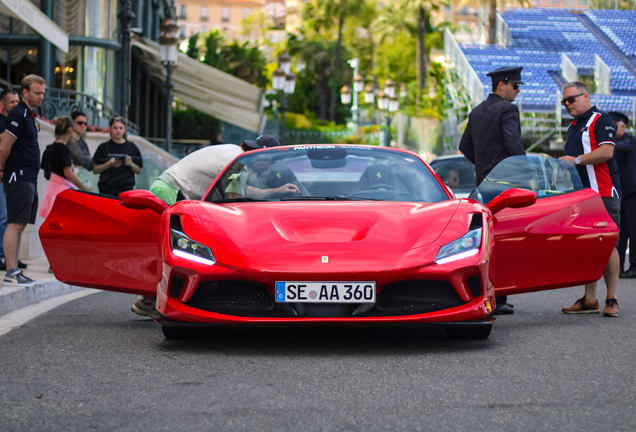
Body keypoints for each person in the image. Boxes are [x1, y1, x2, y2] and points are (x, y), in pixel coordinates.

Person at [132, 135, 299, 319]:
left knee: (168, 248)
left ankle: (147, 300)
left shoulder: (232, 152)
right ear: (260, 156)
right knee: (176, 250)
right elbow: (236, 200)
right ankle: (162, 302)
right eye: (268, 163)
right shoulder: (239, 166)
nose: (267, 168)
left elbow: (241, 189)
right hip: (173, 192)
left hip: (166, 187)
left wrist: (277, 191)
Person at [459, 66, 527, 315]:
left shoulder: (477, 111)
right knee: (504, 241)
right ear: (502, 85)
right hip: (505, 187)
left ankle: (486, 295)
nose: (518, 91)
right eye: (516, 86)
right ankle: (499, 298)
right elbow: (513, 142)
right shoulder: (508, 109)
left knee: (485, 243)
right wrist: (524, 171)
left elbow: (464, 145)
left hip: (482, 187)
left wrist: (485, 166)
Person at [560, 82, 621, 317]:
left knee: (608, 245)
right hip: (581, 196)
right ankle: (590, 299)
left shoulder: (601, 119)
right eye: (564, 101)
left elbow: (607, 152)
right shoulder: (574, 125)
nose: (567, 105)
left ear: (585, 96)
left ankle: (612, 299)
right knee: (588, 244)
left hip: (603, 193)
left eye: (571, 100)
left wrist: (574, 160)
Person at [0, 74, 46, 286]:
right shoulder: (18, 114)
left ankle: (14, 270)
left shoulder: (28, 114)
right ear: (25, 92)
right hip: (17, 175)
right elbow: (3, 146)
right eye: (37, 92)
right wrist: (1, 170)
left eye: (43, 93)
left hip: (27, 176)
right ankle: (11, 271)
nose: (41, 96)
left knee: (20, 224)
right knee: (14, 223)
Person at [39, 116, 92, 220]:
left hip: (52, 189)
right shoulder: (64, 149)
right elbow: (68, 173)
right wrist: (84, 187)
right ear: (70, 130)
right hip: (61, 192)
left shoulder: (50, 147)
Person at [0, 88, 27, 272]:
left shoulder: (16, 120)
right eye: (12, 102)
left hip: (11, 174)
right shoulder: (4, 123)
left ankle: (11, 259)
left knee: (10, 217)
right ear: (2, 105)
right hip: (3, 174)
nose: (16, 105)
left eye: (18, 102)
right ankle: (4, 258)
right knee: (4, 217)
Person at [608, 111, 636, 279]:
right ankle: (617, 267)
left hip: (632, 193)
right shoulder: (613, 144)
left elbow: (625, 147)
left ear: (622, 126)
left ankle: (634, 266)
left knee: (633, 231)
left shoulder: (629, 139)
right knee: (621, 232)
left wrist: (606, 145)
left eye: (613, 126)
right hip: (620, 193)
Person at [92, 117, 143, 196]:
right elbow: (95, 170)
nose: (118, 130)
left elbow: (138, 171)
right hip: (106, 190)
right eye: (115, 128)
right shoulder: (103, 147)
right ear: (110, 129)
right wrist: (108, 164)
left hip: (126, 190)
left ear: (124, 129)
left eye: (120, 128)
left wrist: (131, 164)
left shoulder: (132, 147)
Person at [66, 111, 94, 189]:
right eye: (79, 122)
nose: (83, 125)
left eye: (85, 123)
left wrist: (87, 159)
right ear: (72, 123)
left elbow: (91, 165)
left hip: (83, 180)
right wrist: (88, 158)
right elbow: (82, 160)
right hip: (73, 182)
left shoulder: (83, 143)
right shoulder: (70, 140)